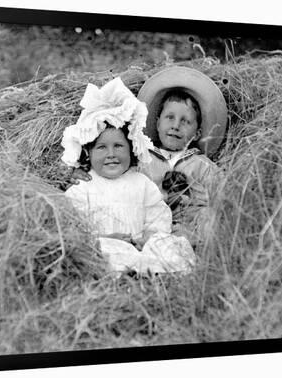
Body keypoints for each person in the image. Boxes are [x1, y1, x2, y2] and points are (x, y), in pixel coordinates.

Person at [61, 77, 195, 275]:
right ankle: (128, 274)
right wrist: (106, 237)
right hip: (104, 245)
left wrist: (148, 237)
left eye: (118, 146)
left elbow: (157, 216)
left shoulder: (140, 182)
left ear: (131, 149)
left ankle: (152, 274)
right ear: (88, 153)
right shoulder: (82, 187)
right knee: (105, 252)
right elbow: (74, 231)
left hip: (140, 246)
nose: (111, 155)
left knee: (170, 246)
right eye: (101, 148)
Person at [70, 67, 228, 231]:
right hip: (152, 224)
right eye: (170, 118)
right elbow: (115, 172)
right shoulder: (143, 158)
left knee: (209, 218)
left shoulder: (202, 165)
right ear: (158, 123)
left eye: (185, 121)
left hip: (190, 225)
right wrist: (81, 171)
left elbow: (226, 192)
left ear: (197, 133)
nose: (175, 126)